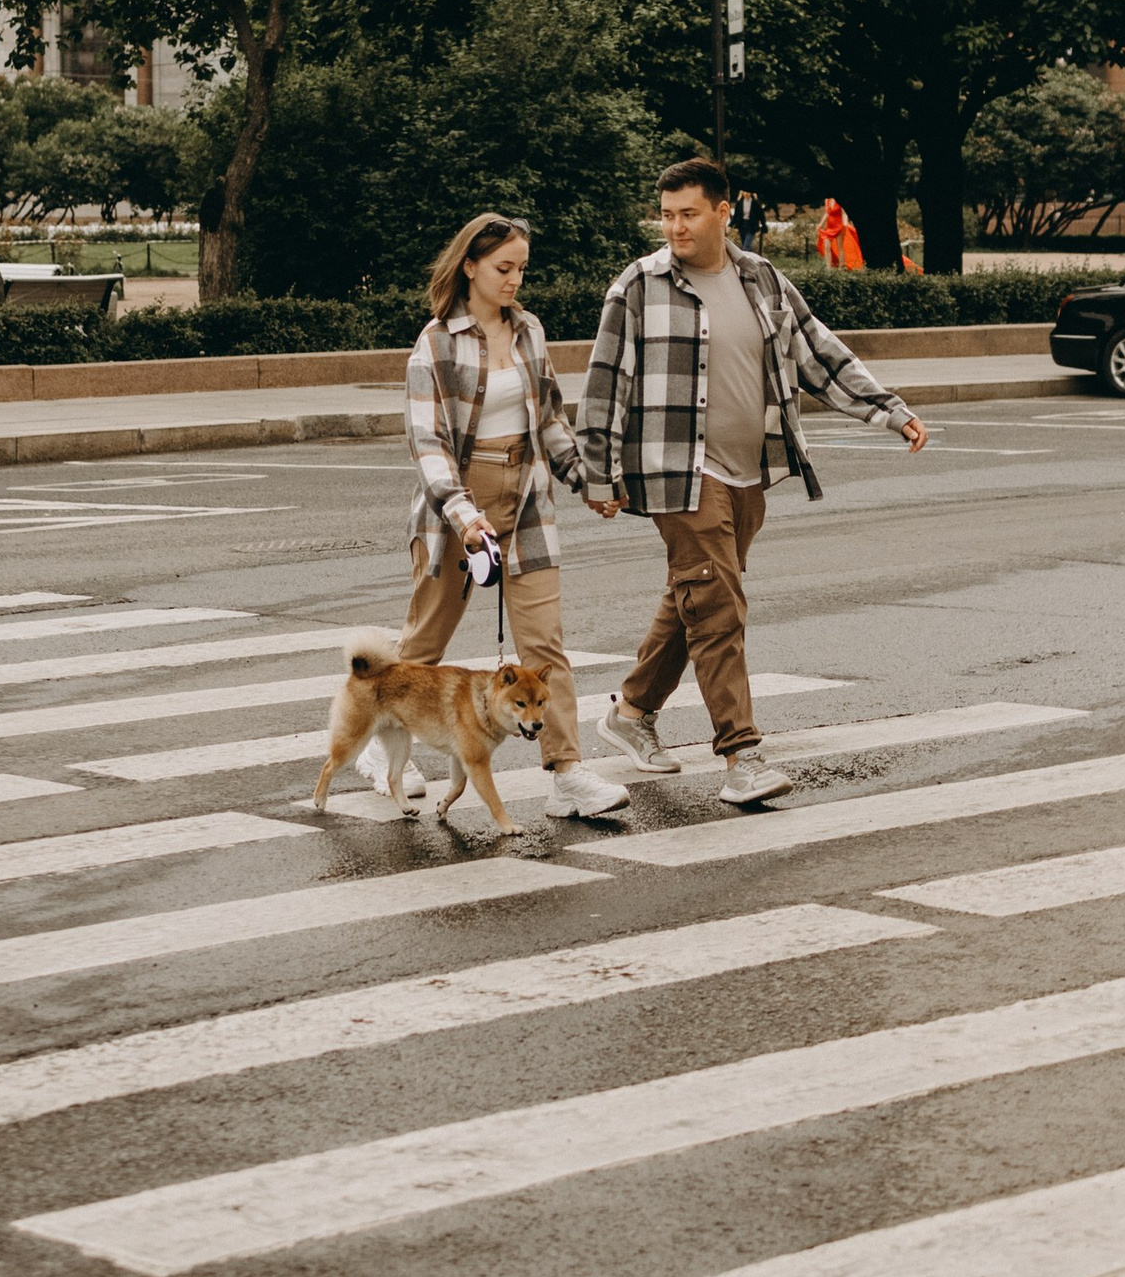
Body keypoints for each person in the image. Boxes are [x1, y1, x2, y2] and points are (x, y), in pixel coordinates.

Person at [582, 156, 928, 809]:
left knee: (698, 594)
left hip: (750, 471)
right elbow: (605, 382)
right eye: (667, 214)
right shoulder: (639, 286)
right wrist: (597, 469)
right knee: (718, 606)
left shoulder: (762, 279)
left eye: (688, 214)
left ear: (722, 211)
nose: (675, 227)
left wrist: (888, 408)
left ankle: (630, 711)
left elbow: (817, 353)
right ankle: (741, 755)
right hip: (678, 471)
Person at [395, 211, 634, 822]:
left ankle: (568, 773)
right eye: (504, 268)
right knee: (423, 645)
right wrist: (462, 514)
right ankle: (385, 747)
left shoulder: (528, 330)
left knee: (543, 646)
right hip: (458, 502)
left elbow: (550, 419)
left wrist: (587, 481)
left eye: (521, 269)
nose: (514, 281)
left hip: (526, 498)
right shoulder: (437, 341)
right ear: (469, 265)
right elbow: (429, 443)